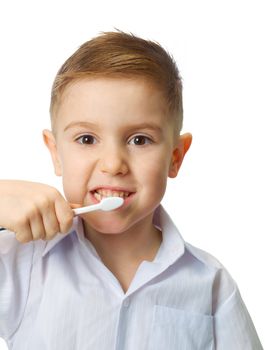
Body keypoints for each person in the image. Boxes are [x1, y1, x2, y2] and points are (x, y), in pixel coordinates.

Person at [0, 30, 263, 350]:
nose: (113, 164)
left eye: (140, 140)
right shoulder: (19, 260)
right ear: (56, 154)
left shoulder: (210, 284)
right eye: (86, 139)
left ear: (175, 157)